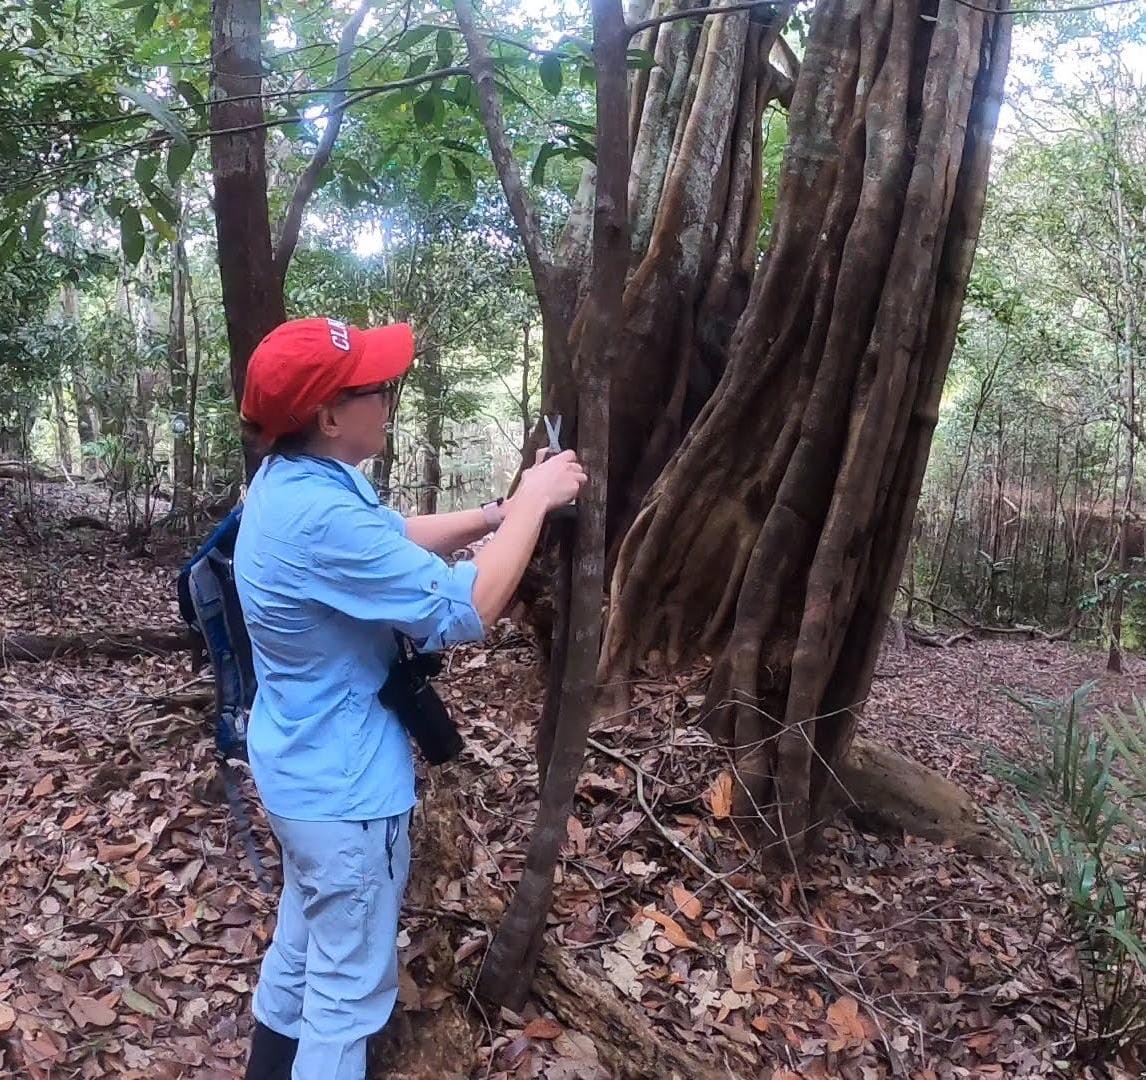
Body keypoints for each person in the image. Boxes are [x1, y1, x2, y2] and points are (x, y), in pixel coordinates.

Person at [232, 316, 587, 1080]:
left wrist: (497, 513)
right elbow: (467, 610)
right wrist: (534, 500)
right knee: (346, 1000)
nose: (389, 396)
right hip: (345, 795)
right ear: (329, 417)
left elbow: (389, 535)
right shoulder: (319, 516)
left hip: (301, 774)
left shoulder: (297, 483)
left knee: (302, 951)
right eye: (375, 388)